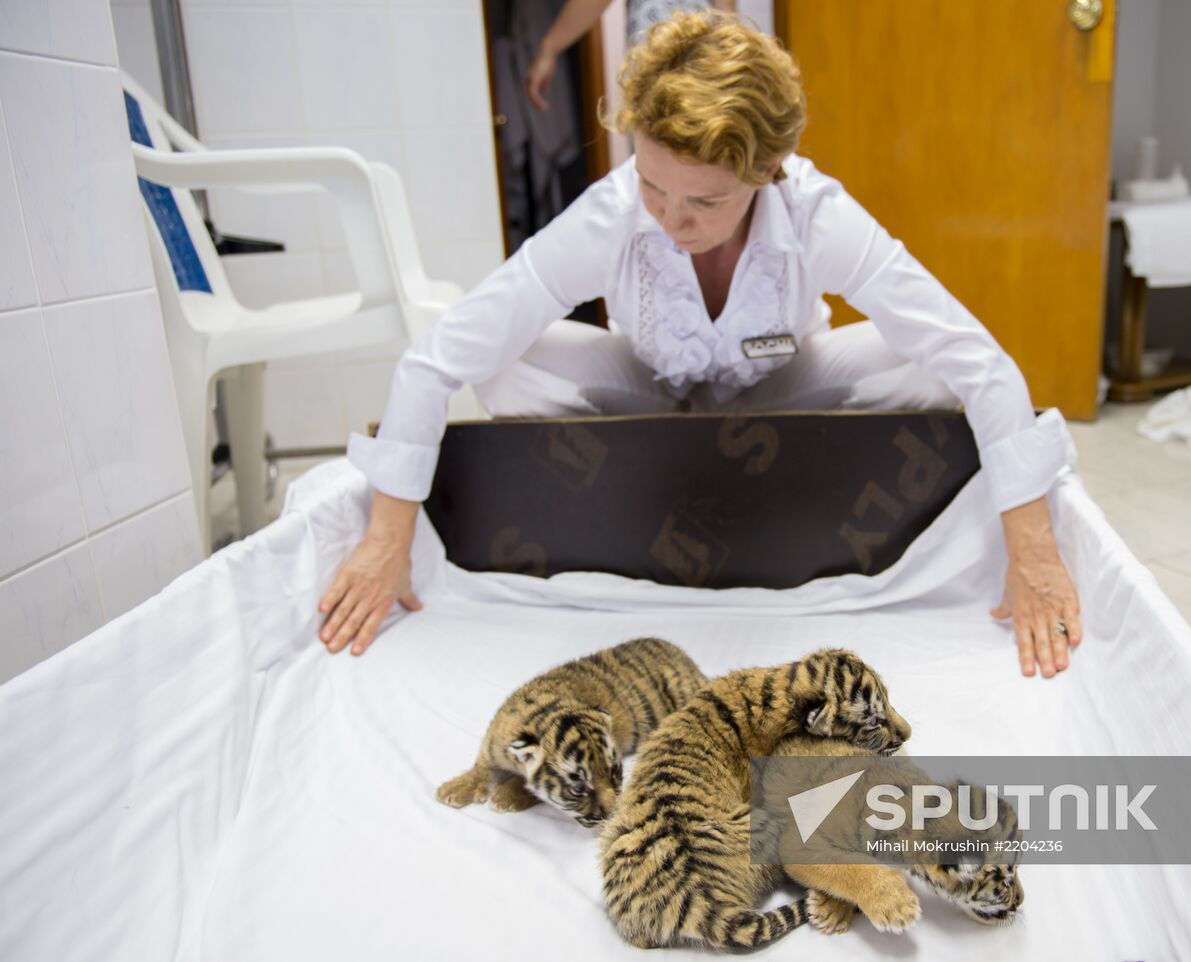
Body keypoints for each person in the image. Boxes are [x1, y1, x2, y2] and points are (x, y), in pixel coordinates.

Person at [319, 11, 1083, 680]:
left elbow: (979, 360)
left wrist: (1034, 551)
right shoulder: (611, 215)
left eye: (706, 201)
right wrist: (388, 537)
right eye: (655, 187)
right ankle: (647, 466)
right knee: (502, 352)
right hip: (643, 392)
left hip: (787, 388)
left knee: (930, 356)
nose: (671, 219)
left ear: (766, 170)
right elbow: (436, 360)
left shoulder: (819, 214)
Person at [525, 0, 738, 112]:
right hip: (671, 70)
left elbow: (726, 10)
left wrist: (549, 48)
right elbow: (726, 10)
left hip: (693, 68)